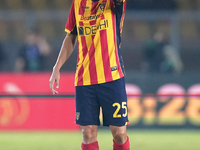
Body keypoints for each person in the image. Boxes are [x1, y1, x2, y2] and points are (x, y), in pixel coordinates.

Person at [49, 0, 130, 150]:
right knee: (87, 134)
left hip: (112, 77)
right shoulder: (78, 3)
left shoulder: (112, 3)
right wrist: (56, 67)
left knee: (119, 134)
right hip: (85, 79)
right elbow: (71, 37)